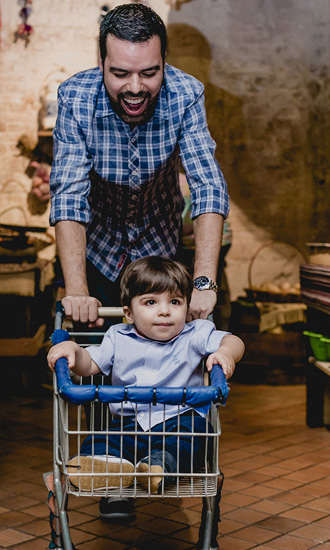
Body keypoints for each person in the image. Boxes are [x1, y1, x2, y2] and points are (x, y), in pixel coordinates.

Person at [50, 3, 229, 326]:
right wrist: (77, 290)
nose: (135, 88)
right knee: (96, 365)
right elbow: (69, 195)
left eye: (149, 73)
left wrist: (204, 282)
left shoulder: (185, 94)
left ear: (164, 63)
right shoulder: (75, 98)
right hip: (96, 256)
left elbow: (208, 186)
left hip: (160, 255)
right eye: (120, 74)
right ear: (101, 63)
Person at [46, 256, 243, 496]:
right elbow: (90, 364)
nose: (164, 311)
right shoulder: (117, 336)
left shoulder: (195, 334)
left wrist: (225, 352)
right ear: (129, 313)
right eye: (150, 302)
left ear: (186, 306)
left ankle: (159, 466)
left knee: (193, 441)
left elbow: (233, 340)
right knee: (102, 439)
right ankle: (106, 463)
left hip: (180, 421)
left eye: (175, 302)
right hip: (129, 423)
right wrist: (74, 350)